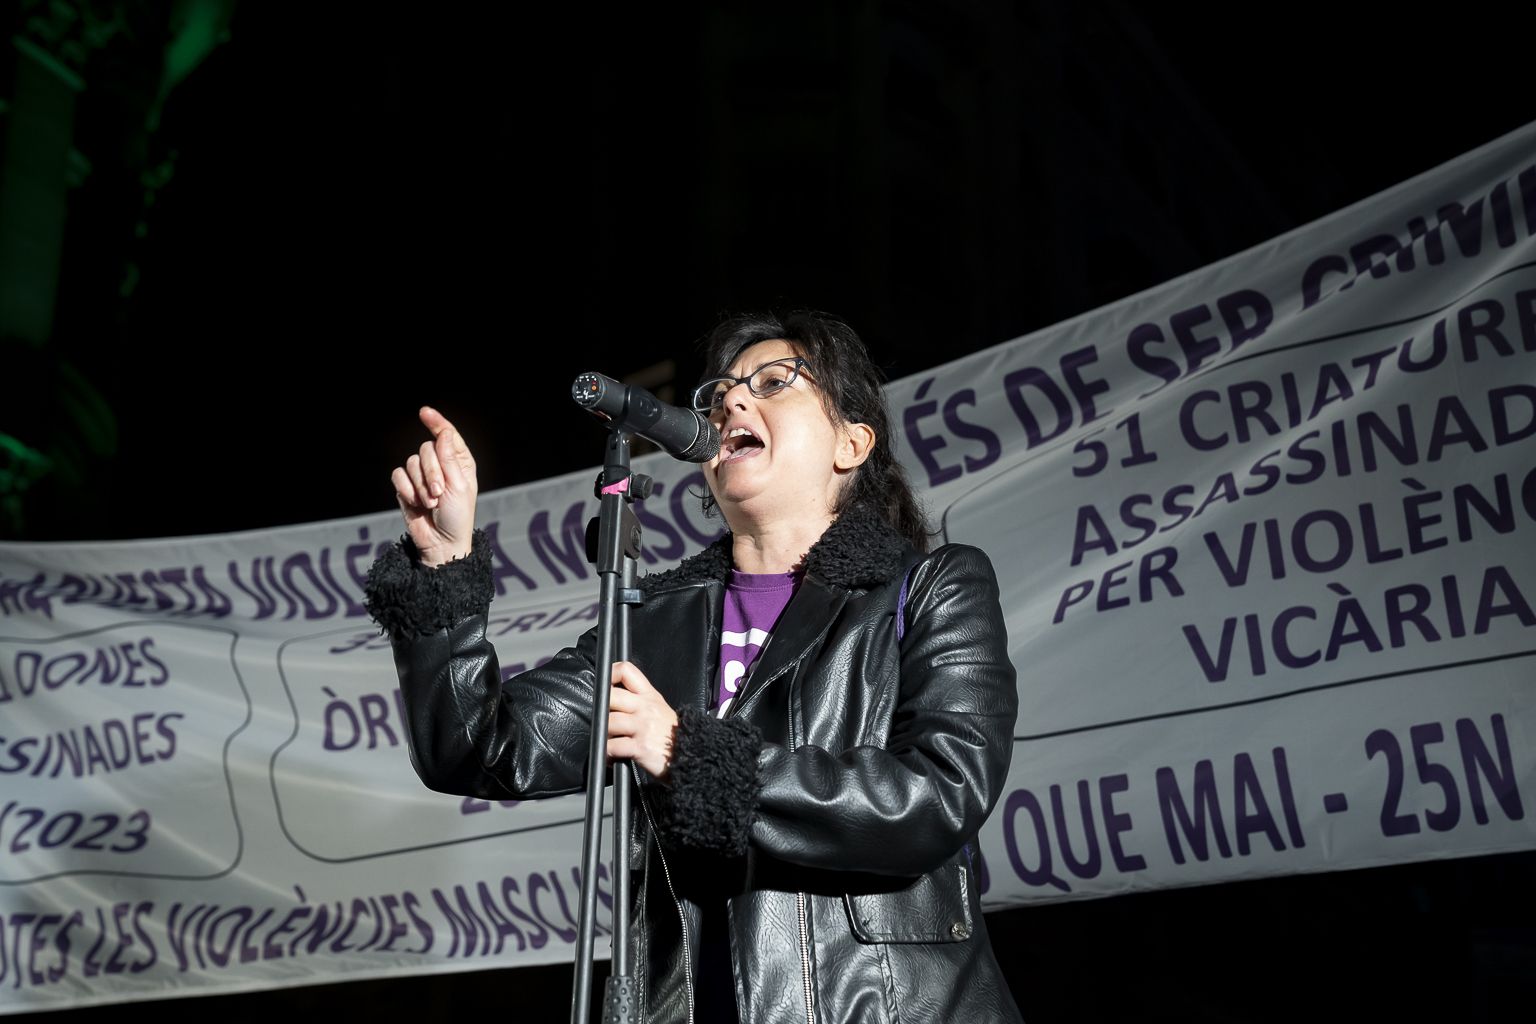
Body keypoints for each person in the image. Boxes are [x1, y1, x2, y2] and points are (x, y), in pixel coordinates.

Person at [364, 310, 1025, 1022]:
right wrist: (444, 567)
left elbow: (939, 795)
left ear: (851, 442)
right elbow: (480, 747)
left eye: (774, 383)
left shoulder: (929, 587)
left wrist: (686, 754)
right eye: (720, 394)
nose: (731, 402)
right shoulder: (652, 625)